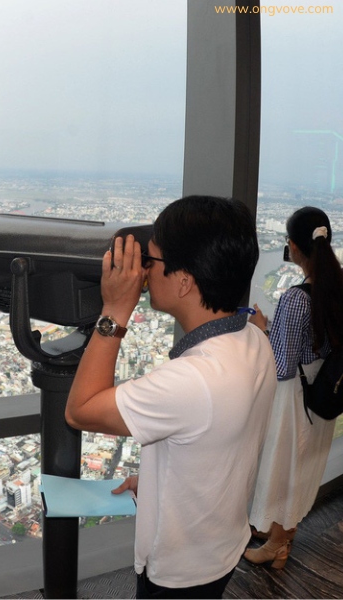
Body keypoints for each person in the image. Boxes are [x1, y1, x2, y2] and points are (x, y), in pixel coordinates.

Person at [65, 196, 277, 599]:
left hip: (178, 573)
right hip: (222, 546)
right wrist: (161, 482)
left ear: (184, 281)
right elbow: (215, 441)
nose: (144, 270)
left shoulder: (192, 379)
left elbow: (79, 411)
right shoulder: (254, 339)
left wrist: (115, 310)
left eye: (153, 260)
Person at [244, 206, 343, 569]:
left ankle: (278, 544)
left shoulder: (295, 299)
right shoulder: (337, 286)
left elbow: (282, 365)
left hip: (296, 397)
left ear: (293, 247)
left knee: (282, 464)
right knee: (302, 466)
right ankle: (280, 531)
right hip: (324, 391)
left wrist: (260, 330)